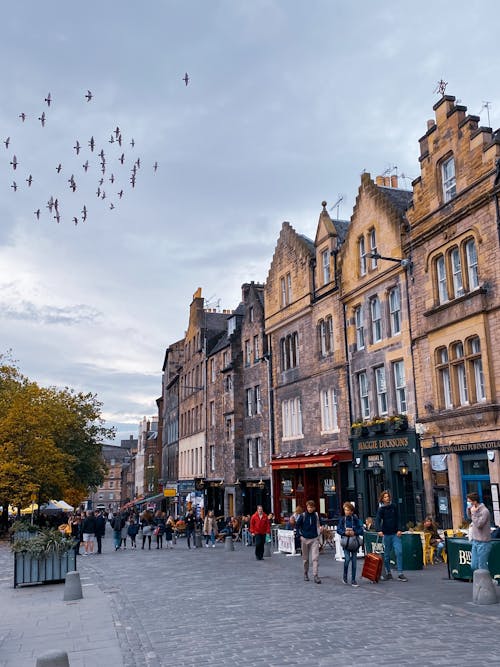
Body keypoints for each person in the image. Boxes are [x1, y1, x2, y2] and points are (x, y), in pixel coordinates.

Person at [375, 490, 408, 582]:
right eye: (385, 497)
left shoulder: (394, 507)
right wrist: (379, 530)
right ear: (382, 499)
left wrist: (399, 529)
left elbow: (398, 518)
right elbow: (377, 520)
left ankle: (400, 573)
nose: (387, 498)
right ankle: (388, 572)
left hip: (395, 533)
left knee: (399, 552)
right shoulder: (381, 509)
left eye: (388, 497)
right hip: (386, 534)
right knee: (387, 555)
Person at [337, 501, 364, 587]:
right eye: (345, 510)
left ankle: (353, 580)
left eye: (348, 510)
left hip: (354, 542)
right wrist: (345, 533)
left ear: (352, 511)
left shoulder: (356, 520)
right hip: (346, 543)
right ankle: (345, 576)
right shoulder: (342, 520)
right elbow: (338, 530)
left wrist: (354, 532)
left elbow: (361, 530)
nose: (347, 512)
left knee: (354, 562)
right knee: (347, 559)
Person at [296, 500, 322, 584]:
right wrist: (299, 536)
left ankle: (315, 575)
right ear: (306, 508)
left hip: (314, 538)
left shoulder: (316, 515)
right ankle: (305, 573)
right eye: (308, 507)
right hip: (305, 538)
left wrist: (320, 530)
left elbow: (320, 524)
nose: (310, 509)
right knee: (305, 559)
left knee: (315, 558)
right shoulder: (303, 516)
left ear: (314, 508)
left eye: (311, 507)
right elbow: (297, 526)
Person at [467, 492, 492, 572]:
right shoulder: (473, 509)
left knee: (482, 567)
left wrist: (473, 513)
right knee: (474, 565)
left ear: (474, 501)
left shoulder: (485, 511)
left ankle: (487, 583)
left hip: (483, 542)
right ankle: (484, 582)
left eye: (469, 501)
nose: (468, 503)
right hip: (475, 541)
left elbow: (479, 524)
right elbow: (469, 517)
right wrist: (469, 510)